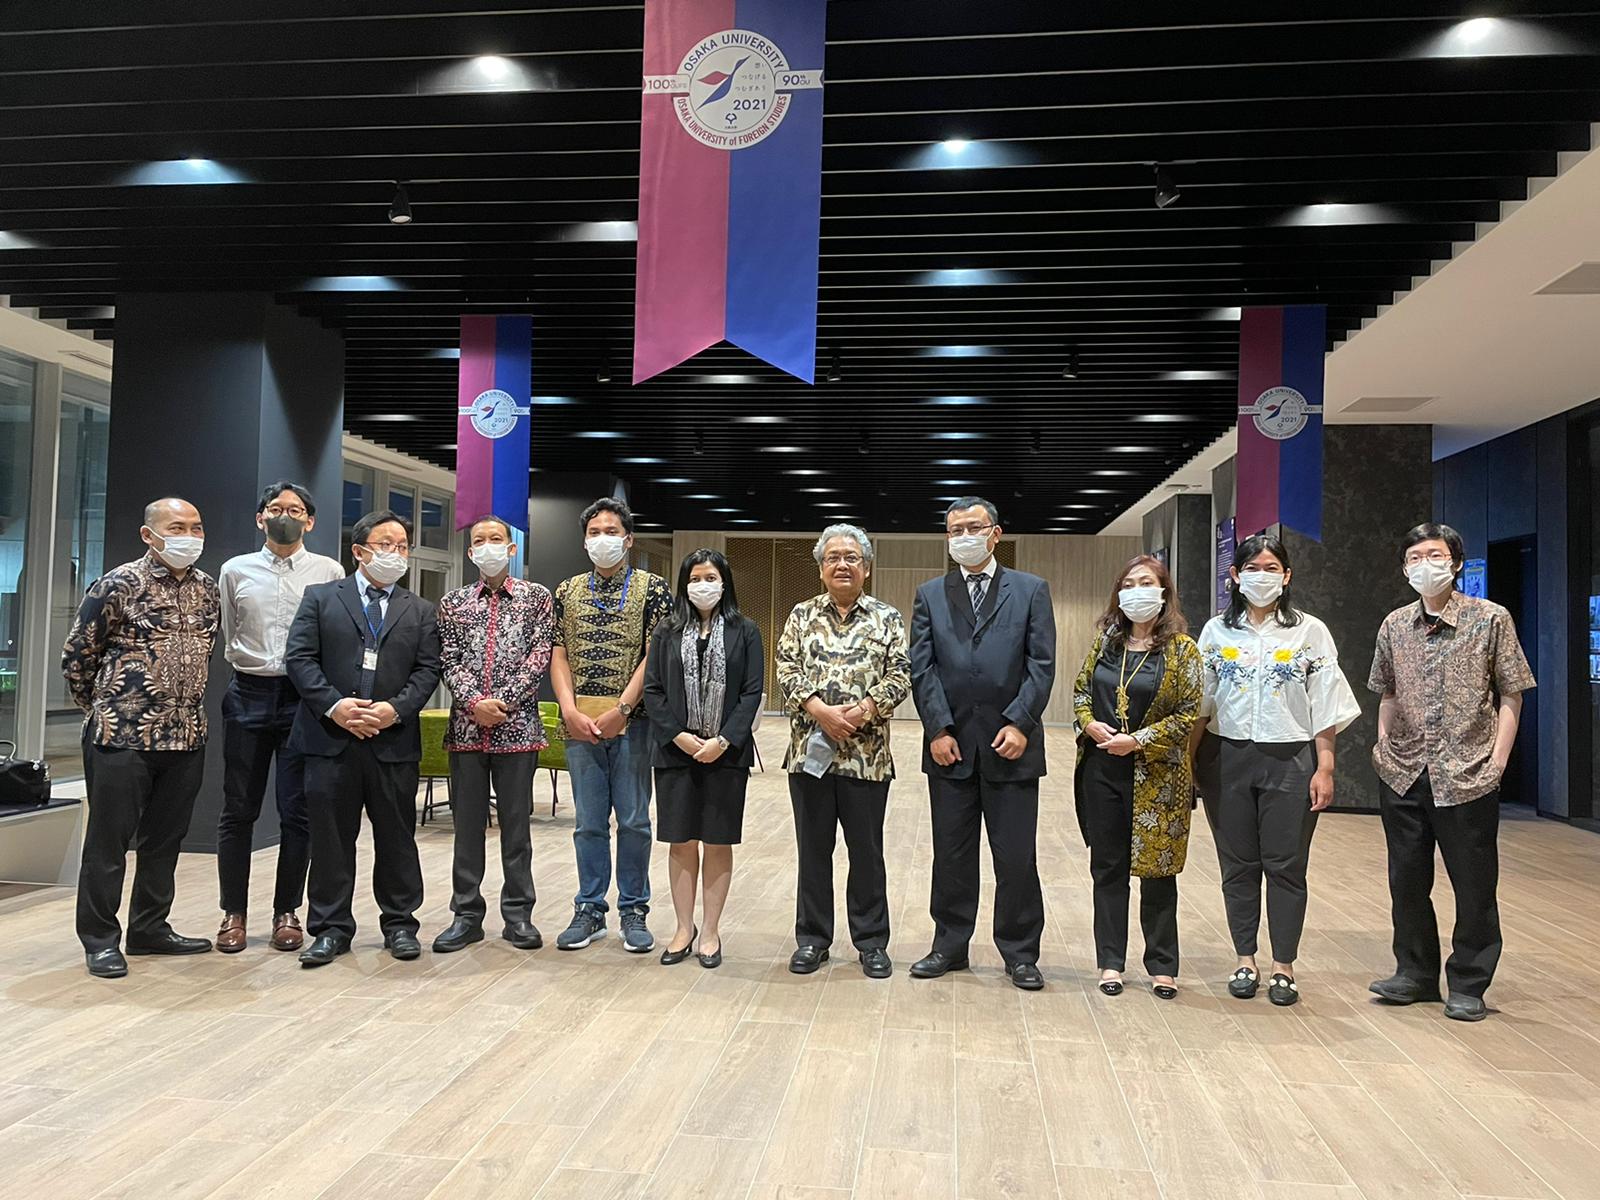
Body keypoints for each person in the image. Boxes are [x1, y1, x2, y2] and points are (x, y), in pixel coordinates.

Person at [1367, 522, 1534, 1022]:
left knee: (1474, 884)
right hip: (1403, 771)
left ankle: (1468, 982)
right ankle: (1414, 973)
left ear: (1456, 562)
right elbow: (1387, 691)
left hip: (1467, 773)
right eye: (1414, 557)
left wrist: (1497, 761)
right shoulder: (1395, 624)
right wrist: (1383, 746)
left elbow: (1511, 693)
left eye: (1435, 555)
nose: (1425, 565)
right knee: (1406, 880)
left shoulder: (1490, 618)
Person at [1191, 533, 1361, 1006]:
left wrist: (1325, 768)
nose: (1261, 576)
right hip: (1226, 759)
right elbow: (1200, 705)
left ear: (1286, 576)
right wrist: (1189, 764)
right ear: (1234, 575)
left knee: (1286, 865)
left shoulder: (1310, 632)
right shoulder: (1216, 632)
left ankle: (1284, 965)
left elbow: (1325, 705)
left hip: (1291, 759)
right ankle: (1245, 959)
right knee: (1238, 864)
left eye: (1271, 568)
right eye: (1252, 568)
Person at [62, 497, 221, 978]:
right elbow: (78, 655)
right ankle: (99, 940)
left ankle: (150, 928)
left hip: (186, 735)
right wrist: (103, 706)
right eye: (177, 527)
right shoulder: (118, 583)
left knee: (165, 841)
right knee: (108, 843)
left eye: (196, 527)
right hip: (122, 736)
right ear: (149, 535)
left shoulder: (207, 589)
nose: (189, 536)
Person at [909, 497, 1056, 991]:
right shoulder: (930, 594)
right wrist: (938, 728)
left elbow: (1041, 663)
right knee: (951, 855)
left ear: (995, 533)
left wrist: (1020, 723)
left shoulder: (1031, 590)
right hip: (950, 746)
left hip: (1011, 744)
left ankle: (1020, 953)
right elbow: (922, 667)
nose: (964, 537)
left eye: (974, 527)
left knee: (1015, 857)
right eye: (955, 530)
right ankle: (949, 946)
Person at [285, 509, 442, 967]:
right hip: (330, 739)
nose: (396, 553)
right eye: (385, 545)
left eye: (402, 546)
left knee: (397, 838)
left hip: (392, 741)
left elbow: (428, 669)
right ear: (358, 551)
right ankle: (330, 929)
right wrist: (336, 706)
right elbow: (300, 659)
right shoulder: (320, 598)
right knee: (331, 839)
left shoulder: (420, 610)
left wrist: (396, 709)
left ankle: (400, 924)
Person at [213, 482, 344, 954]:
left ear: (310, 520)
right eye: (275, 508)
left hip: (301, 697)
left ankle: (287, 911)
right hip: (247, 692)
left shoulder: (328, 571)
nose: (284, 515)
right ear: (260, 517)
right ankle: (233, 913)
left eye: (294, 509)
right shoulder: (235, 570)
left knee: (297, 811)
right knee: (238, 809)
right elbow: (229, 630)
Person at [776, 524, 911, 980]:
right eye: (832, 557)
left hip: (866, 759)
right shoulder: (801, 615)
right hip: (809, 756)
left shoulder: (887, 618)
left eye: (851, 557)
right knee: (813, 851)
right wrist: (820, 711)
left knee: (867, 853)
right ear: (820, 569)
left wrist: (862, 711)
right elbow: (786, 667)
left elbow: (901, 674)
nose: (842, 564)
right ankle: (812, 939)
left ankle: (871, 942)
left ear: (866, 568)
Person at [1072, 554, 1201, 1000]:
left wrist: (1139, 739)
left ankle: (1162, 966)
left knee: (1157, 872)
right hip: (1102, 769)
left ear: (1163, 592)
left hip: (1158, 776)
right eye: (1128, 584)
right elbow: (1081, 692)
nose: (1136, 591)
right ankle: (1110, 961)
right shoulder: (1106, 643)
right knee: (1107, 868)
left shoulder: (1182, 650)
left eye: (1146, 582)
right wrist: (1088, 723)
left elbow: (1188, 715)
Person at [549, 497, 672, 952]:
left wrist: (622, 708)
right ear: (584, 541)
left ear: (629, 539)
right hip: (580, 725)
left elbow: (655, 654)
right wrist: (567, 710)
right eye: (594, 533)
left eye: (611, 532)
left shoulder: (652, 588)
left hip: (633, 724)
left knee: (635, 821)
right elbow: (558, 654)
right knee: (588, 823)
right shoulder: (566, 591)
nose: (603, 539)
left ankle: (634, 910)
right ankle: (589, 908)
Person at [433, 516, 555, 953]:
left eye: (496, 539)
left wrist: (501, 702)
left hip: (518, 730)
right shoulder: (453, 603)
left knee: (516, 829)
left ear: (511, 548)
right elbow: (447, 660)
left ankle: (518, 915)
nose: (488, 546)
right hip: (466, 732)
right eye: (479, 541)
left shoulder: (537, 598)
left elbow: (540, 656)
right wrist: (474, 703)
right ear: (470, 553)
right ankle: (466, 915)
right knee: (466, 828)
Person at [643, 549, 764, 969]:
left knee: (717, 840)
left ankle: (710, 930)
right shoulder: (666, 630)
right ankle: (683, 928)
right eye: (694, 578)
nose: (702, 585)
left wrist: (724, 740)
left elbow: (752, 692)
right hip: (675, 752)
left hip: (725, 755)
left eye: (710, 577)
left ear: (724, 582)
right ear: (684, 584)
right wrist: (679, 736)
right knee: (681, 841)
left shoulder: (745, 630)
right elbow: (653, 690)